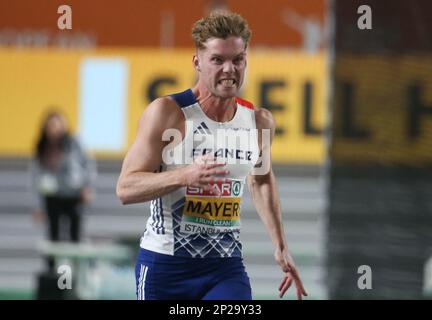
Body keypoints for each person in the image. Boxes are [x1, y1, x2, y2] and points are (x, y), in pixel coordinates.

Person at [117, 11, 307, 300]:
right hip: (167, 267)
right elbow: (125, 188)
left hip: (225, 268)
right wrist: (185, 175)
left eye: (238, 60)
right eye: (218, 60)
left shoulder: (259, 121)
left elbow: (261, 180)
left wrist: (280, 245)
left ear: (246, 60)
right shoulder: (169, 113)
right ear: (197, 62)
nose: (230, 69)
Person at [31, 110, 95, 272]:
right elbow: (35, 175)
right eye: (51, 125)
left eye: (58, 124)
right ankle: (52, 273)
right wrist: (38, 205)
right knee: (53, 235)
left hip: (74, 194)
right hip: (52, 196)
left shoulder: (74, 143)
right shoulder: (42, 146)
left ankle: (76, 272)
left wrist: (87, 187)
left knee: (75, 235)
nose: (55, 128)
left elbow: (88, 164)